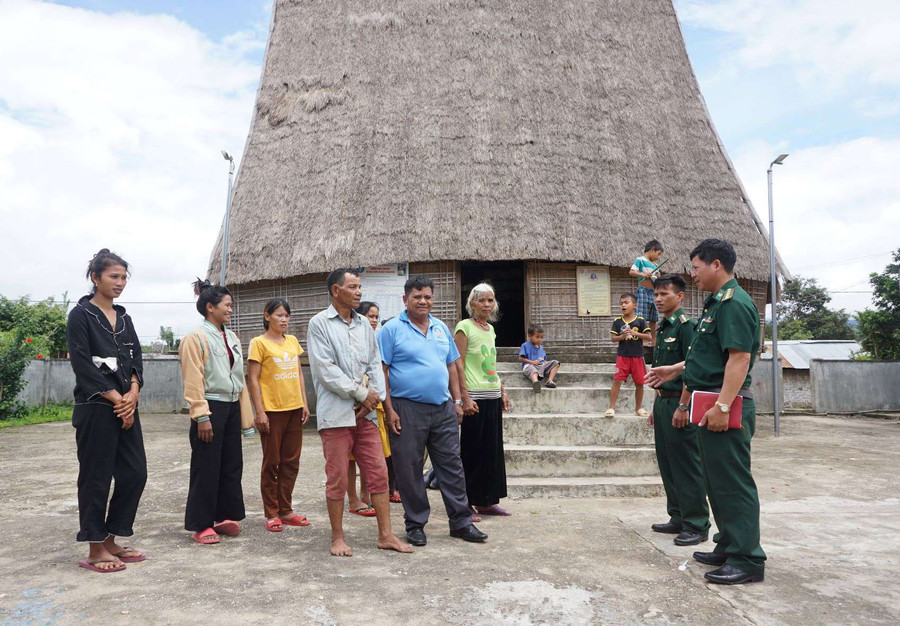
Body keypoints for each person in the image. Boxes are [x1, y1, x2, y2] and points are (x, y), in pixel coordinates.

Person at [646, 239, 766, 585]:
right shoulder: (716, 304)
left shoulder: (734, 303)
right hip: (709, 401)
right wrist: (674, 369)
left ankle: (747, 558)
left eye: (696, 267)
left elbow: (739, 358)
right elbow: (708, 356)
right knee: (716, 481)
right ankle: (728, 544)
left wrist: (723, 405)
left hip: (723, 403)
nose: (693, 274)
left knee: (732, 483)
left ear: (716, 264)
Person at [306, 269, 412, 557]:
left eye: (359, 287)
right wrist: (362, 394)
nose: (359, 292)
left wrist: (372, 398)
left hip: (366, 415)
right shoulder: (319, 324)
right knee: (338, 478)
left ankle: (386, 535)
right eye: (352, 286)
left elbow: (375, 364)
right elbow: (325, 370)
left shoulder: (364, 324)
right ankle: (338, 538)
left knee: (378, 473)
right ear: (335, 290)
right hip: (335, 415)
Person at [379, 275, 488, 546]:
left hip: (442, 408)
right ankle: (416, 524)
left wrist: (458, 401)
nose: (423, 301)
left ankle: (461, 522)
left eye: (427, 296)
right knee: (409, 468)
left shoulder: (440, 328)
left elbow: (452, 365)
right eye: (417, 297)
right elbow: (382, 370)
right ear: (405, 299)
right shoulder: (391, 329)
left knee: (452, 465)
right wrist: (389, 409)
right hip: (406, 408)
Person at [67, 249, 147, 573]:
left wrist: (132, 395)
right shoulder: (81, 315)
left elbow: (136, 360)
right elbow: (83, 365)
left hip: (126, 405)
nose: (120, 282)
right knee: (96, 477)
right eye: (114, 276)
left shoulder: (125, 319)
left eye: (124, 277)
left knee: (135, 473)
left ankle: (111, 539)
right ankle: (95, 548)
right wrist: (118, 400)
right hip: (96, 407)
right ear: (95, 277)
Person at [179, 280, 254, 545]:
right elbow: (193, 379)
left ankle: (223, 517)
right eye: (227, 305)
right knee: (206, 466)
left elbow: (239, 378)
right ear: (210, 307)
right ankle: (201, 524)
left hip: (232, 406)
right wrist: (201, 415)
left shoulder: (232, 338)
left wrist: (245, 416)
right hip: (210, 406)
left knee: (231, 465)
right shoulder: (195, 338)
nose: (231, 309)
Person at [648, 274, 710, 547]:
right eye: (656, 294)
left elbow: (691, 369)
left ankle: (696, 523)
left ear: (680, 296)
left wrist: (684, 405)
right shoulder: (663, 327)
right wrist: (654, 406)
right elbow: (659, 373)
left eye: (665, 294)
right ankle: (678, 516)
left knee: (686, 464)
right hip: (663, 402)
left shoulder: (687, 327)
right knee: (668, 462)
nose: (658, 299)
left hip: (680, 402)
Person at [247, 298, 311, 532]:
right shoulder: (258, 343)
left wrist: (304, 403)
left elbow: (299, 373)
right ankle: (272, 512)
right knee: (272, 462)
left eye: (286, 316)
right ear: (267, 316)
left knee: (291, 462)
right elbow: (253, 379)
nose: (284, 320)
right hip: (272, 411)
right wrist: (260, 412)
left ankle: (286, 510)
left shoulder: (292, 341)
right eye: (279, 315)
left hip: (294, 409)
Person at [454, 283, 511, 517]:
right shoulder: (464, 327)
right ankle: (465, 503)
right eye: (481, 300)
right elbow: (457, 363)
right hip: (474, 398)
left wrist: (502, 389)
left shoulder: (490, 330)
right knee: (472, 452)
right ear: (472, 304)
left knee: (491, 451)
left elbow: (491, 364)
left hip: (492, 395)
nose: (486, 304)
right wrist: (463, 397)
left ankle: (486, 501)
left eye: (490, 300)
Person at [346, 301, 401, 515]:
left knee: (370, 457)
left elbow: (380, 372)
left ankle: (366, 495)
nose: (375, 320)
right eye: (370, 316)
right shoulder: (351, 339)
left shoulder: (376, 340)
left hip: (375, 406)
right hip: (353, 404)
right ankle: (353, 498)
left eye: (377, 316)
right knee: (350, 458)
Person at [605, 294, 651, 418]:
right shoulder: (617, 321)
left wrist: (635, 333)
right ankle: (611, 408)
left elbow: (649, 337)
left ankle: (638, 408)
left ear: (634, 305)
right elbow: (613, 338)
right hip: (622, 356)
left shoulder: (640, 320)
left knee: (640, 383)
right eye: (621, 303)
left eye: (626, 302)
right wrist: (622, 336)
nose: (623, 305)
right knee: (617, 381)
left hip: (637, 356)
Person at [630, 240, 664, 345]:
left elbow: (658, 277)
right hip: (643, 291)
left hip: (653, 292)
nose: (658, 257)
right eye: (658, 254)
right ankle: (643, 341)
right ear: (652, 250)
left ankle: (653, 341)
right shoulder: (640, 260)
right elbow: (632, 272)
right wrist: (643, 275)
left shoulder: (655, 265)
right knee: (642, 316)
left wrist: (658, 277)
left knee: (654, 317)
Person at [519, 324, 561, 393]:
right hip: (530, 365)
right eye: (537, 337)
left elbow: (544, 359)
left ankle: (549, 381)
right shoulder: (525, 345)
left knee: (556, 363)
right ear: (530, 336)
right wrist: (532, 362)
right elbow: (521, 358)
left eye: (541, 337)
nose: (539, 339)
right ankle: (536, 383)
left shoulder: (540, 347)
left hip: (540, 365)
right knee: (532, 370)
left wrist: (544, 364)